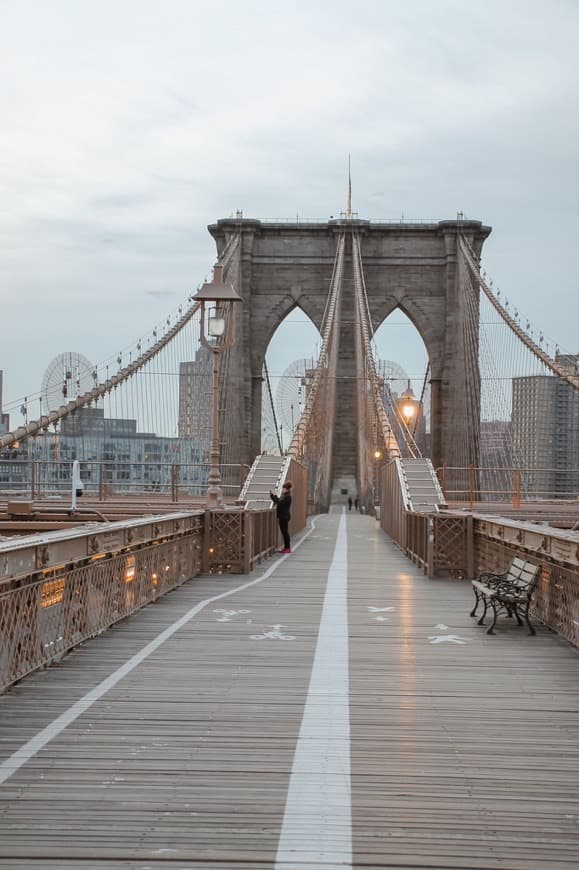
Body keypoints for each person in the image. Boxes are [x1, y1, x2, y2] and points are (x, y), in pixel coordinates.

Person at [270, 481, 292, 553]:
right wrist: (272, 495)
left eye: (283, 488)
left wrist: (275, 495)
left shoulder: (288, 497)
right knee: (284, 532)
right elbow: (277, 501)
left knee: (285, 532)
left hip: (284, 517)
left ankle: (287, 548)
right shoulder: (285, 496)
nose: (282, 490)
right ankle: (286, 548)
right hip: (283, 516)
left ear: (286, 489)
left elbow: (279, 503)